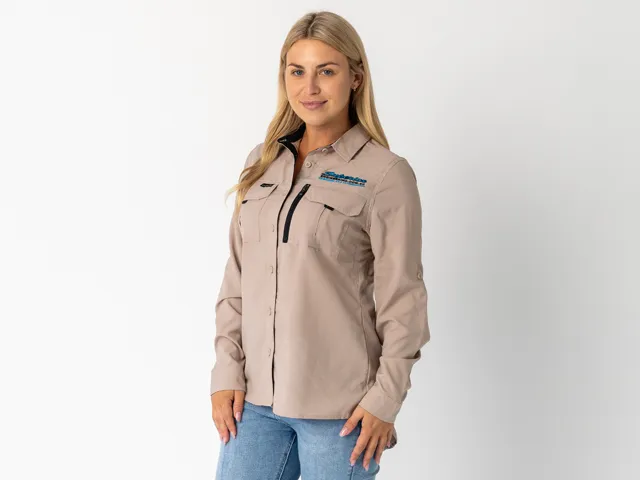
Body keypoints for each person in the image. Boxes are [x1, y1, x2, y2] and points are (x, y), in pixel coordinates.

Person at [210, 10, 430, 480]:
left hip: (341, 413)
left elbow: (404, 300)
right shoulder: (263, 162)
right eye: (297, 71)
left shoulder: (385, 175)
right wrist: (225, 371)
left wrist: (385, 399)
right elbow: (237, 280)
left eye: (326, 71)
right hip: (254, 405)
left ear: (355, 77)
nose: (309, 87)